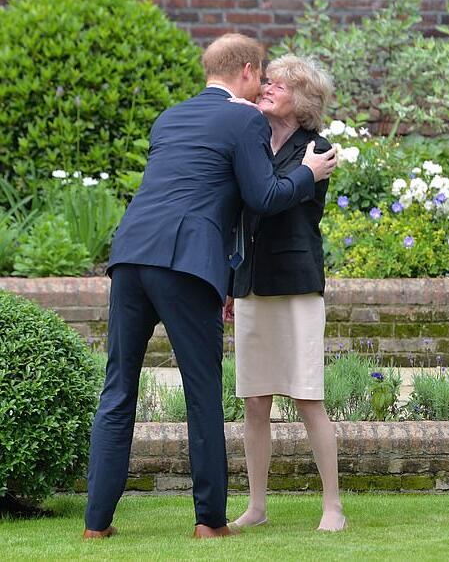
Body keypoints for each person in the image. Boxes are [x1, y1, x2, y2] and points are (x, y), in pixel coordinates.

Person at [84, 34, 337, 540]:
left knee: (116, 392)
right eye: (260, 74)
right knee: (202, 394)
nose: (262, 85)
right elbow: (263, 196)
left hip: (130, 255)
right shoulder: (243, 118)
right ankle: (209, 523)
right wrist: (307, 174)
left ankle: (96, 525)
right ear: (246, 69)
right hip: (185, 264)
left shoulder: (169, 116)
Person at [225, 54, 347, 533]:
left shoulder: (319, 149)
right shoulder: (252, 140)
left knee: (307, 396)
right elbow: (244, 214)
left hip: (296, 285)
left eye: (280, 83)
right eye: (268, 81)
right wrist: (233, 285)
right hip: (252, 283)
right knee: (255, 401)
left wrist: (302, 175)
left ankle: (332, 506)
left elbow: (273, 198)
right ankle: (256, 506)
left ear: (304, 99)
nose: (268, 87)